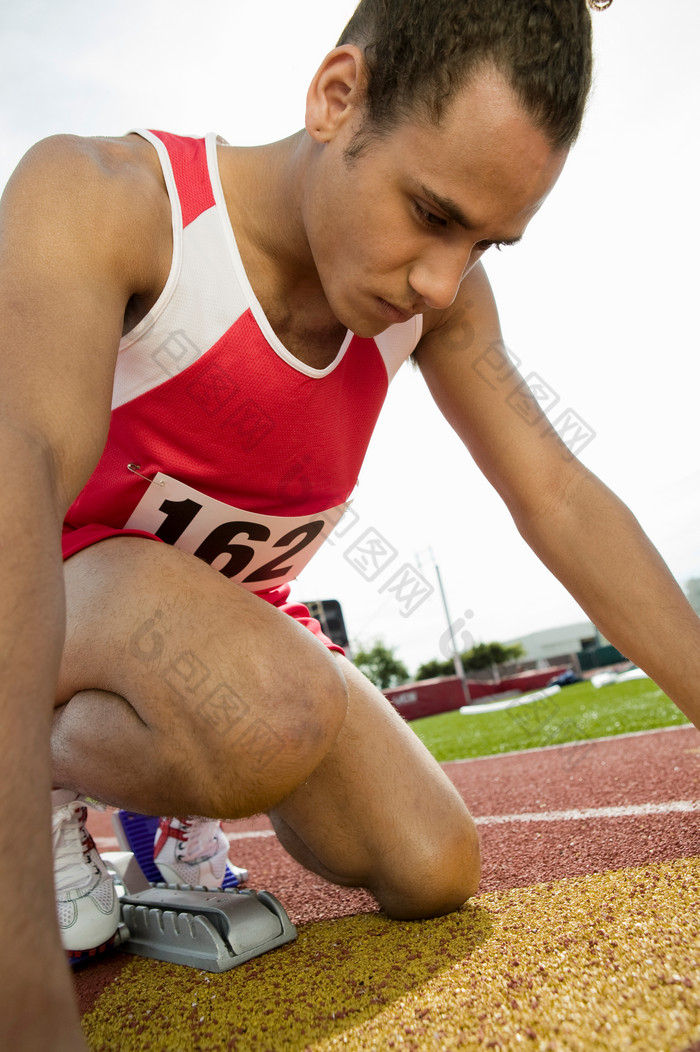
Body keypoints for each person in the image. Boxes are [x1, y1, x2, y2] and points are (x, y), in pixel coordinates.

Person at [1, 0, 698, 1046]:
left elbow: (554, 492)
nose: (440, 279)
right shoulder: (104, 199)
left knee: (431, 866)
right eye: (429, 212)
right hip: (59, 599)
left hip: (238, 642)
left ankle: (156, 783)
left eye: (483, 243)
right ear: (337, 98)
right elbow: (22, 481)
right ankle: (46, 781)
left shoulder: (438, 303)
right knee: (267, 706)